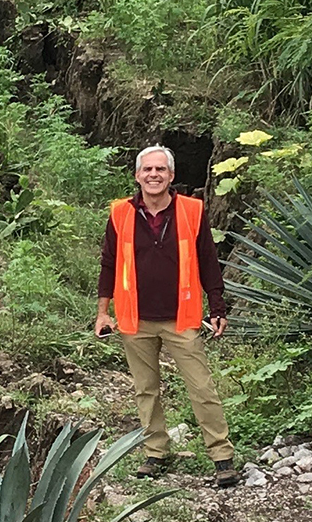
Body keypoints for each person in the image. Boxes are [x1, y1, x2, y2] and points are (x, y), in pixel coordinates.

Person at [94, 145, 239, 488]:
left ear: (171, 176)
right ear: (137, 175)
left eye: (161, 169)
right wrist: (102, 312)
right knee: (146, 390)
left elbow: (208, 261)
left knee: (201, 387)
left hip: (181, 317)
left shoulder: (192, 211)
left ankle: (222, 457)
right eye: (148, 169)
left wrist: (217, 306)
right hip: (134, 319)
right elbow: (108, 265)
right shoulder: (120, 214)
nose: (154, 175)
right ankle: (155, 452)